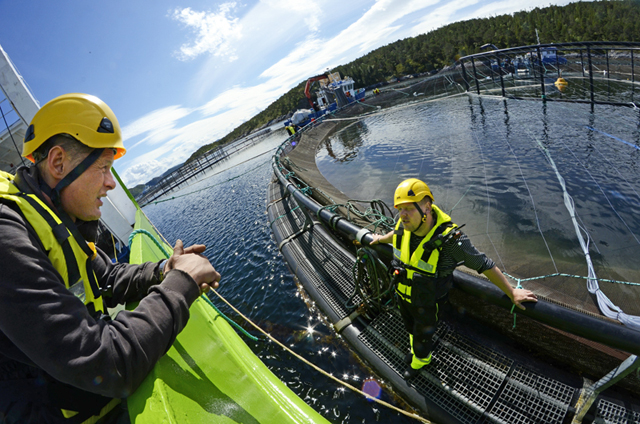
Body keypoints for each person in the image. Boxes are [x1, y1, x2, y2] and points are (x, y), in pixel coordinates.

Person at [0, 93, 220, 423]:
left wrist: (164, 269)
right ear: (59, 163)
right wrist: (181, 283)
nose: (110, 183)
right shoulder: (7, 236)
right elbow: (106, 364)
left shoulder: (57, 218)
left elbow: (106, 277)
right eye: (103, 167)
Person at [370, 178, 537, 379]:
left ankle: (421, 361)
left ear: (427, 208)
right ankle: (416, 351)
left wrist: (511, 292)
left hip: (428, 303)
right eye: (400, 209)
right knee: (410, 328)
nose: (403, 215)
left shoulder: (451, 241)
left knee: (423, 335)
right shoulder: (404, 224)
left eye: (409, 209)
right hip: (403, 296)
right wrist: (379, 239)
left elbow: (483, 264)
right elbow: (395, 234)